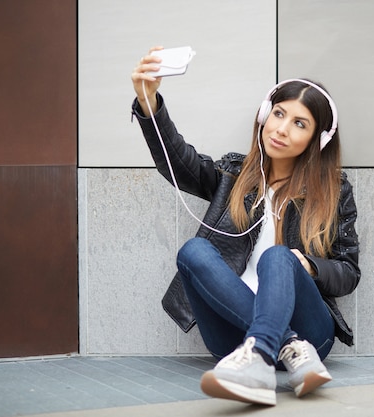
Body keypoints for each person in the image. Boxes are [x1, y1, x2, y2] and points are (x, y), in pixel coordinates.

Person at [130, 46, 360, 406]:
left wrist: (311, 267)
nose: (281, 129)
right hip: (234, 338)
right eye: (279, 114)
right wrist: (149, 102)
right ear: (265, 115)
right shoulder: (233, 176)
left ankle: (271, 351)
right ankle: (271, 349)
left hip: (311, 337)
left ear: (319, 140)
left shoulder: (334, 190)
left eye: (299, 123)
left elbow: (348, 271)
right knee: (193, 251)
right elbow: (178, 162)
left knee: (278, 258)